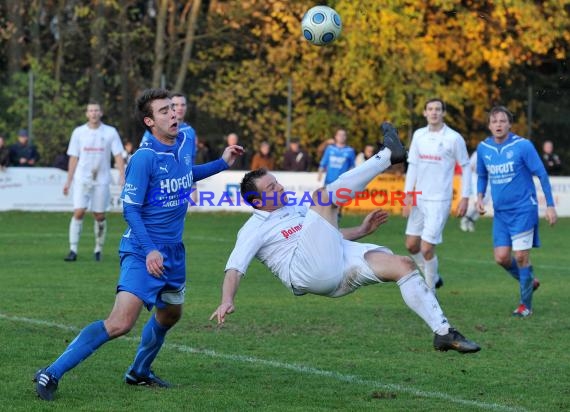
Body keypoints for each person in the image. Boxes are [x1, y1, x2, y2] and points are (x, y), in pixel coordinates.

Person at [34, 88, 244, 401]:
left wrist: (222, 163)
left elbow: (186, 175)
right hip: (143, 250)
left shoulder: (182, 144)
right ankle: (50, 372)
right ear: (149, 121)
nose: (172, 114)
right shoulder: (144, 158)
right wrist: (150, 250)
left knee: (170, 314)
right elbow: (130, 209)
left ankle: (138, 371)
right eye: (163, 111)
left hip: (173, 251)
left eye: (173, 108)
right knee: (120, 323)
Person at [210, 122, 481, 356]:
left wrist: (361, 231)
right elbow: (235, 268)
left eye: (276, 182)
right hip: (305, 271)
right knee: (322, 198)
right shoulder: (252, 228)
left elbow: (326, 236)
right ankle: (388, 156)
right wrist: (227, 299)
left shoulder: (293, 209)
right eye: (271, 187)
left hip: (332, 266)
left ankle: (443, 332)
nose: (279, 187)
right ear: (257, 201)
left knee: (403, 265)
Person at [476, 106, 557, 318]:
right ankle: (528, 280)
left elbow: (541, 174)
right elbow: (482, 175)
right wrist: (479, 197)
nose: (499, 125)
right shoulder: (484, 148)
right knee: (502, 258)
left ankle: (525, 306)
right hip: (501, 213)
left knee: (521, 256)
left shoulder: (523, 146)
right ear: (489, 125)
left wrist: (550, 205)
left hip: (523, 209)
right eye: (494, 122)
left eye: (503, 121)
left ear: (510, 124)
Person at [403, 98, 471, 291]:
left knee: (426, 248)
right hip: (419, 198)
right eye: (430, 109)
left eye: (438, 109)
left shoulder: (453, 138)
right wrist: (407, 194)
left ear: (443, 113)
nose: (434, 112)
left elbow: (465, 166)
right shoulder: (418, 135)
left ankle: (429, 291)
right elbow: (413, 165)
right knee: (411, 246)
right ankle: (434, 276)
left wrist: (465, 197)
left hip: (439, 200)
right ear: (425, 113)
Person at [62, 102, 126, 262]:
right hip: (82, 179)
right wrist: (68, 181)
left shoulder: (110, 132)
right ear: (86, 114)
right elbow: (73, 157)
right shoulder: (79, 132)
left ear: (101, 113)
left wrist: (122, 175)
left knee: (99, 215)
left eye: (96, 110)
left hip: (102, 179)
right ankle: (73, 249)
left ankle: (98, 249)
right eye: (90, 110)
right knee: (79, 211)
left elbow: (118, 154)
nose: (93, 113)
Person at [459, 151, 489, 232]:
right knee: (478, 202)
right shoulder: (477, 153)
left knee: (484, 203)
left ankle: (471, 220)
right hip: (477, 178)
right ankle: (465, 219)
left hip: (488, 179)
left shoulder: (493, 153)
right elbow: (470, 166)